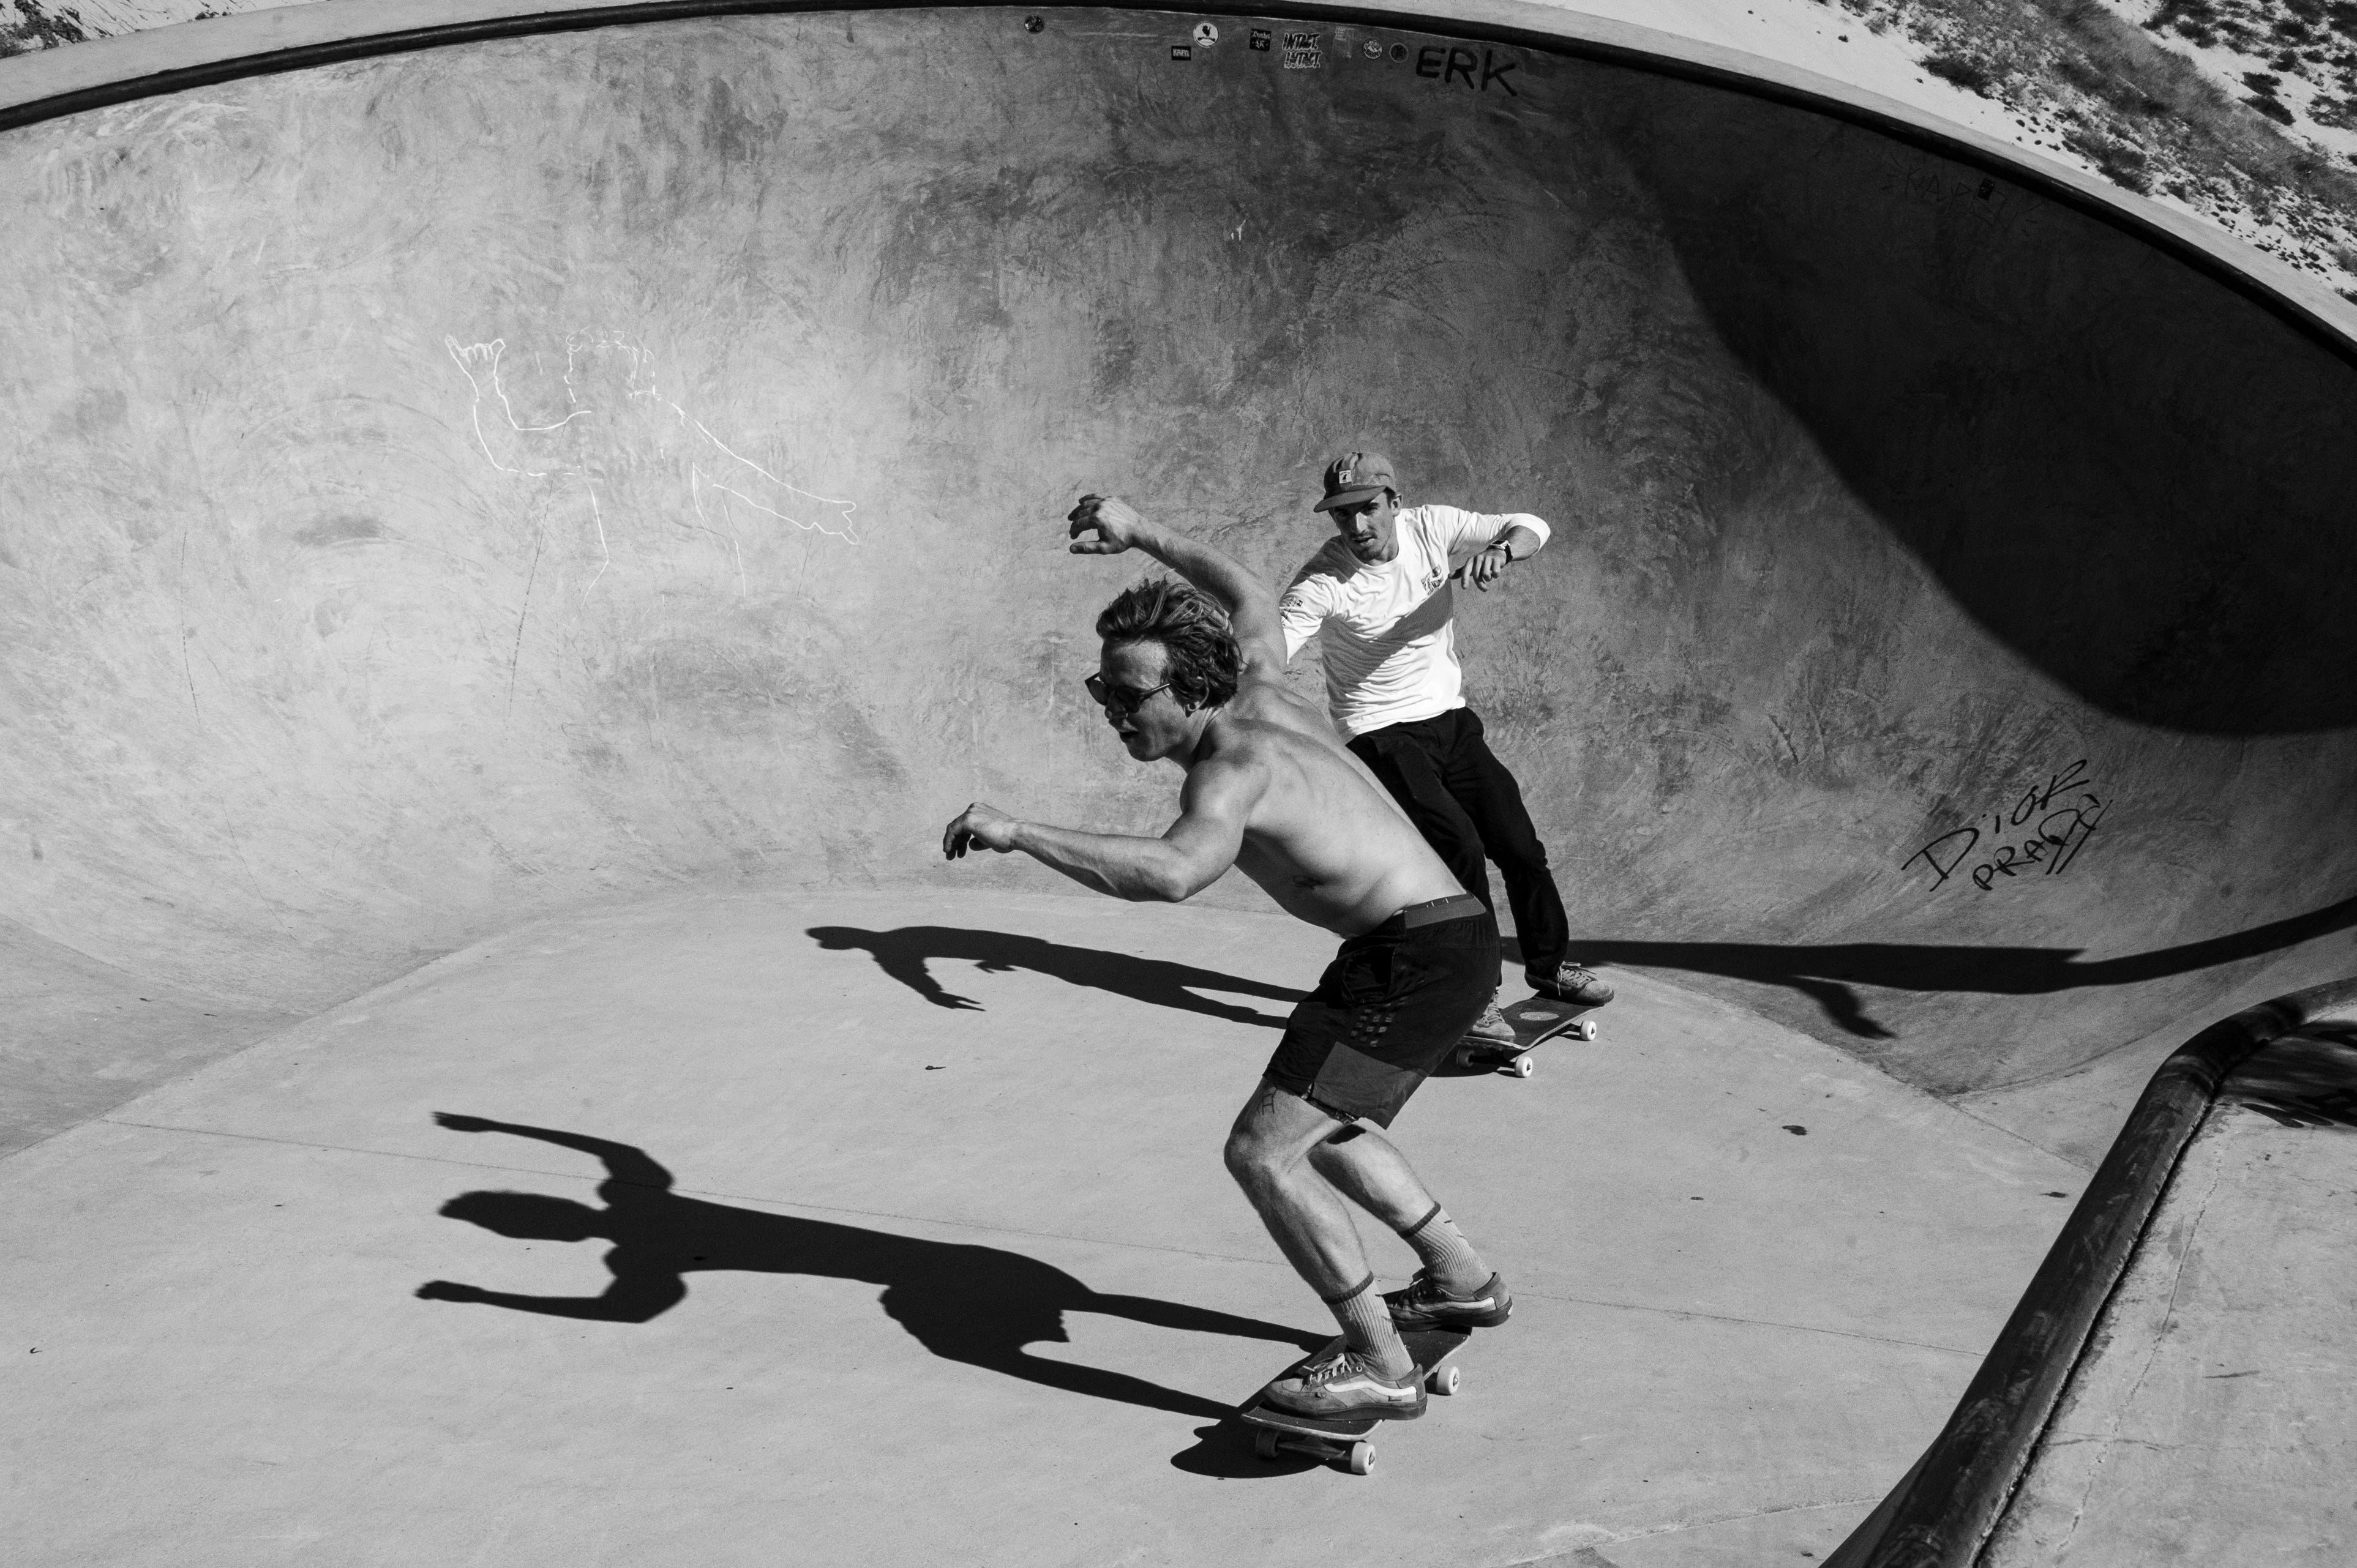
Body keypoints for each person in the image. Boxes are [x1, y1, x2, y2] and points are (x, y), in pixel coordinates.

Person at [941, 494, 1513, 1423]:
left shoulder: (1230, 771)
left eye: (1128, 697)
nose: (1111, 713)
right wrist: (1139, 530)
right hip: (1440, 939)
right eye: (1102, 691)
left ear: (1189, 689)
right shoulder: (1260, 680)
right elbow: (1246, 592)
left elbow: (1174, 873)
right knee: (1323, 1127)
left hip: (1413, 957)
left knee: (1262, 1152)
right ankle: (1462, 1279)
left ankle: (1379, 1362)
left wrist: (1019, 831)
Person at [1278, 450, 1611, 1042]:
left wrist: (1501, 550)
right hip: (1379, 732)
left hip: (1450, 721)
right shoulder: (1324, 580)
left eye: (1368, 509)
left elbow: (1532, 525)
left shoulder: (1432, 526)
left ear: (1395, 503)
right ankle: (1474, 996)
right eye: (1343, 515)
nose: (1357, 526)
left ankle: (1550, 967)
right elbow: (1273, 645)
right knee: (1459, 851)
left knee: (1519, 846)